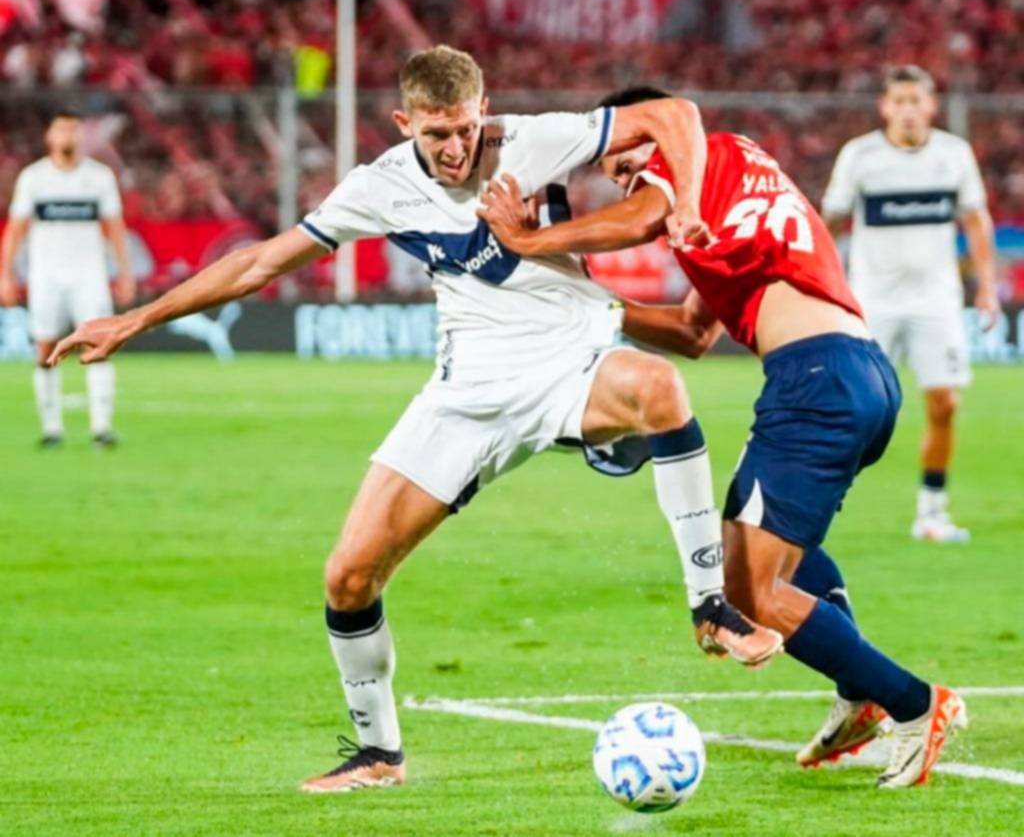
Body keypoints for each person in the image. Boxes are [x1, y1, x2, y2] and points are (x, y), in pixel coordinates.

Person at [47, 47, 782, 794]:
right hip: (466, 395)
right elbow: (260, 263)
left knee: (659, 385)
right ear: (405, 124)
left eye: (466, 128)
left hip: (571, 361)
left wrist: (687, 202)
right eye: (437, 134)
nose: (457, 148)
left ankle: (709, 604)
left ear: (484, 109)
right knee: (348, 577)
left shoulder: (531, 139)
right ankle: (379, 753)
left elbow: (675, 113)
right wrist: (136, 319)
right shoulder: (380, 187)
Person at [478, 85, 967, 790]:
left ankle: (915, 704)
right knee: (760, 540)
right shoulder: (726, 187)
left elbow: (640, 218)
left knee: (748, 590)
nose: (625, 181)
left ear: (651, 131)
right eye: (616, 176)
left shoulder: (697, 162)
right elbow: (692, 332)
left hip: (816, 381)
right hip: (850, 371)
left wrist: (528, 243)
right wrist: (586, 300)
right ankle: (858, 690)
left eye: (626, 163)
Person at [821, 65, 998, 544]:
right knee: (856, 410)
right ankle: (819, 505)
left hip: (936, 303)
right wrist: (821, 285)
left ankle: (931, 513)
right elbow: (829, 224)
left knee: (945, 403)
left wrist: (985, 286)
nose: (907, 110)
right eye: (898, 101)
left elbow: (976, 221)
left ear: (931, 106)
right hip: (871, 302)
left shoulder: (953, 154)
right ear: (885, 107)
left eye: (915, 100)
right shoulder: (860, 156)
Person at [0, 111, 135, 448]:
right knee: (45, 347)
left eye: (73, 130)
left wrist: (125, 272)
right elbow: (15, 230)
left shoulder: (99, 177)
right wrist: (5, 274)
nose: (67, 136)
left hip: (90, 276)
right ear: (50, 136)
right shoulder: (34, 178)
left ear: (81, 136)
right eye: (61, 129)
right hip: (46, 277)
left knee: (98, 346)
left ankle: (101, 428)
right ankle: (52, 429)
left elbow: (114, 228)